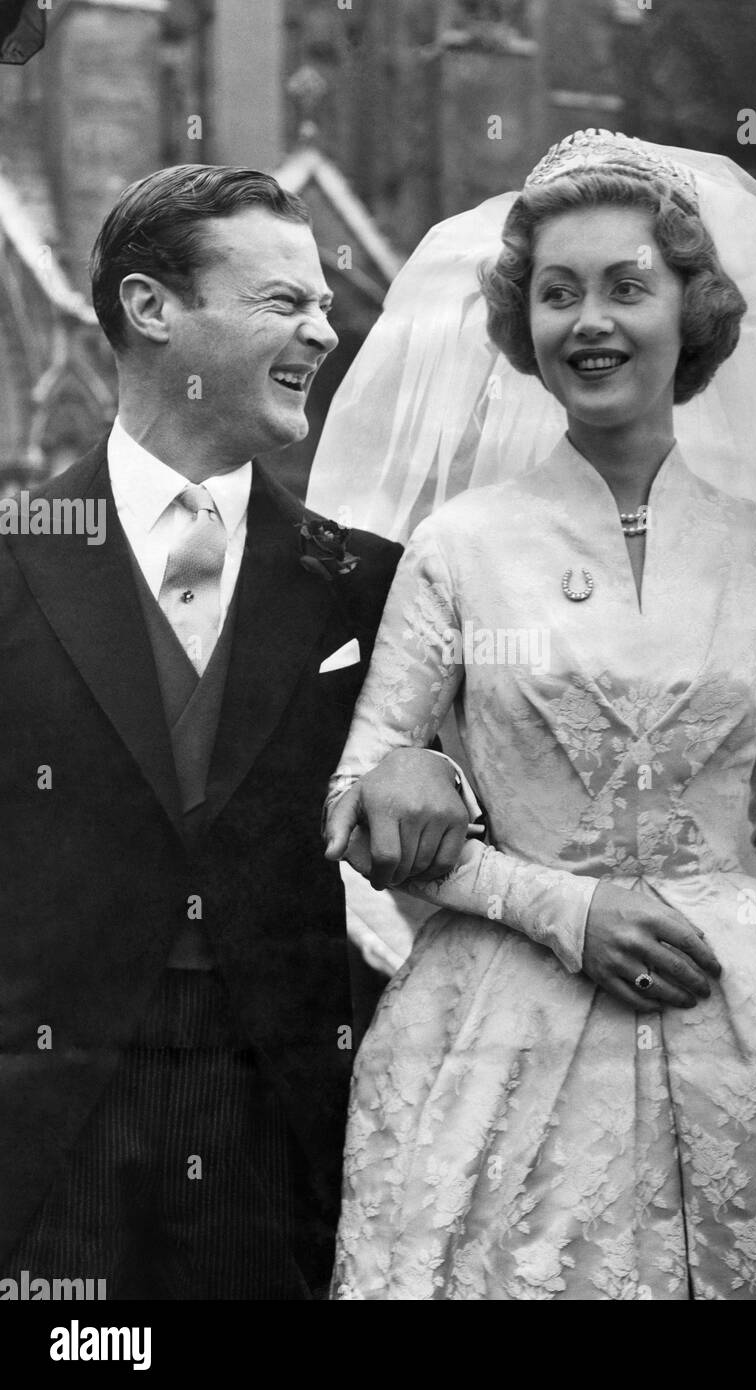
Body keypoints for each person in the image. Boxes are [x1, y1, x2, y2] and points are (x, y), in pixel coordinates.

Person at [317, 131, 756, 1300]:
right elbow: (351, 802)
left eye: (627, 287)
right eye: (556, 292)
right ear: (519, 320)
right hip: (500, 1045)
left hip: (754, 1039)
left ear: (693, 308)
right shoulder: (462, 547)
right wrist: (564, 907)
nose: (590, 322)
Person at [0, 164, 467, 1299]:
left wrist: (432, 765)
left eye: (322, 303)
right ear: (151, 308)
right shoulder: (12, 557)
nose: (325, 328)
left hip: (280, 1120)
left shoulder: (368, 582)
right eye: (282, 303)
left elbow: (481, 800)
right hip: (42, 1128)